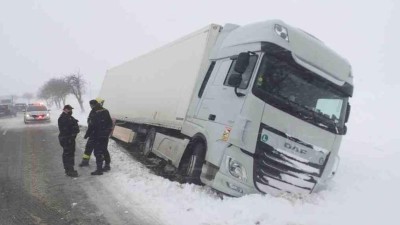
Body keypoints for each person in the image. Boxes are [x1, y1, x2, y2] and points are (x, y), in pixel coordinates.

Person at [78, 99, 111, 171]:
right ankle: (85, 161)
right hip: (95, 134)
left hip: (100, 134)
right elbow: (91, 123)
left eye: (91, 105)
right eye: (91, 105)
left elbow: (109, 123)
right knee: (89, 147)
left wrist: (106, 133)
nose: (91, 106)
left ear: (94, 104)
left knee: (102, 149)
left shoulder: (102, 111)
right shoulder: (95, 111)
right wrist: (87, 134)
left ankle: (107, 165)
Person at [58, 105, 80, 177]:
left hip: (69, 138)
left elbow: (74, 125)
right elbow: (66, 129)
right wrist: (74, 129)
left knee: (70, 154)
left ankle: (69, 169)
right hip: (67, 139)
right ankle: (69, 170)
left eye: (71, 109)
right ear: (65, 109)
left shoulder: (69, 117)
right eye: (69, 109)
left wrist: (75, 127)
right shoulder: (63, 118)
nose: (71, 111)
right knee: (68, 154)